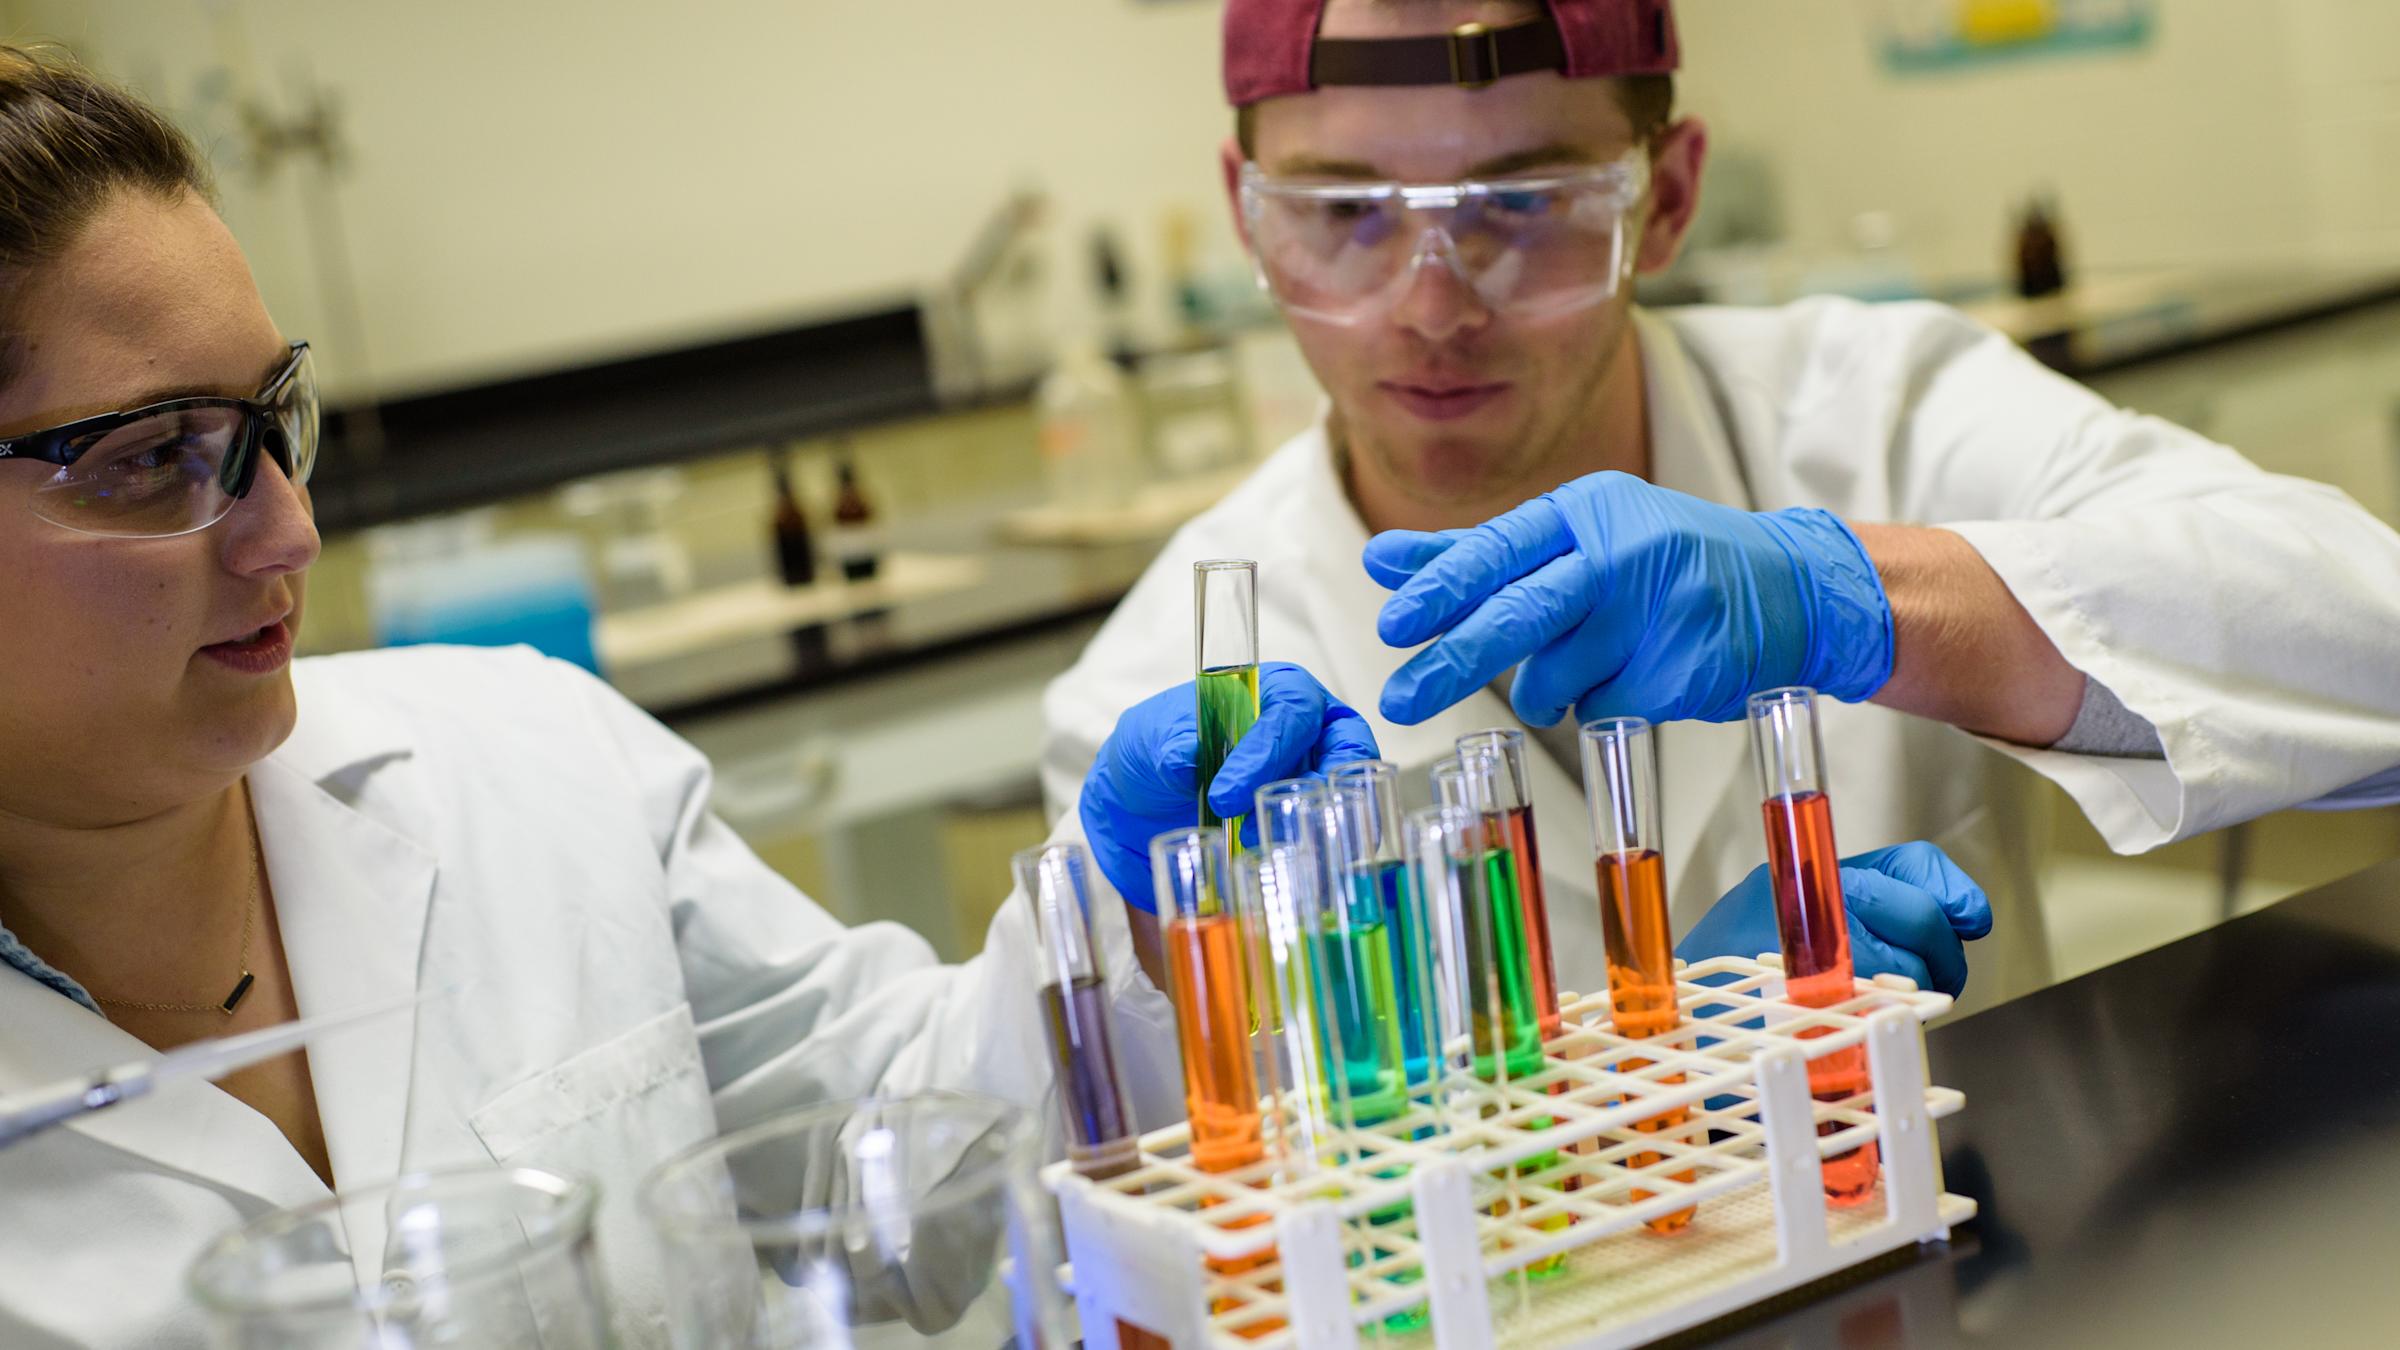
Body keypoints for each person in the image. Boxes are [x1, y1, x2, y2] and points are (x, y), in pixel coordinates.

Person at [0, 48, 1358, 1349]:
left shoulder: (529, 758)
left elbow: (891, 1160)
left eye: (269, 422)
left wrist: (1119, 908)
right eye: (156, 458)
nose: (288, 531)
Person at [1044, 0, 2400, 1016]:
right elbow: (1181, 1182)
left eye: (1524, 201)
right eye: (1343, 213)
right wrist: (1643, 1071)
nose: (1435, 304)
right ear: (1247, 218)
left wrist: (1861, 600)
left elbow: (2372, 642)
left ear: (1669, 195)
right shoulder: (1194, 662)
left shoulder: (1876, 411)